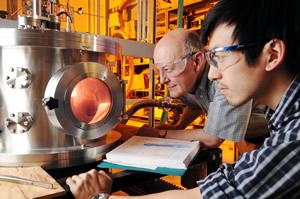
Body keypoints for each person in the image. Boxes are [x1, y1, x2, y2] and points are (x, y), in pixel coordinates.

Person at [66, 0, 300, 198]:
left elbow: (221, 190)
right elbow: (233, 180)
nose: (212, 73)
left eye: (220, 57)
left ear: (273, 55)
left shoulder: (294, 134)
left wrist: (100, 195)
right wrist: (177, 126)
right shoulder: (283, 120)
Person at [116, 27, 254, 148]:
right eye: (159, 71)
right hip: (248, 137)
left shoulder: (222, 76)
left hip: (269, 135)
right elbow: (195, 105)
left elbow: (213, 138)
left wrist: (160, 134)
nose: (163, 80)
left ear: (197, 61)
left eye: (168, 69)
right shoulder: (187, 79)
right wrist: (179, 126)